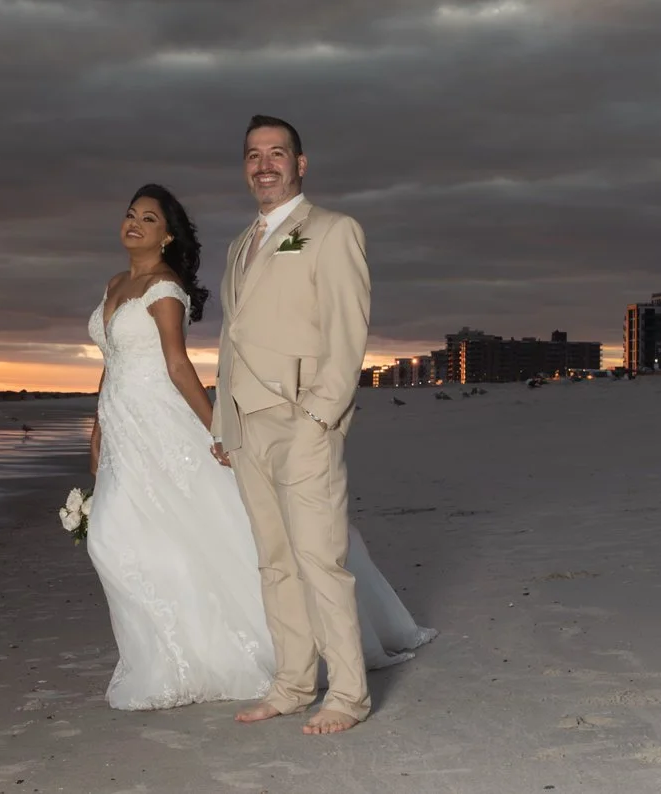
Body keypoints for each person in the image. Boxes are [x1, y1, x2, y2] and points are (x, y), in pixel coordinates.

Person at [84, 181, 432, 714]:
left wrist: (216, 429)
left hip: (164, 422)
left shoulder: (164, 288)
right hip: (122, 426)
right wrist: (98, 432)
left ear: (168, 234)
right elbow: (111, 366)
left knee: (206, 533)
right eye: (130, 214)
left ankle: (260, 656)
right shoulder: (113, 283)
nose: (134, 223)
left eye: (149, 218)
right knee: (116, 538)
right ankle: (164, 653)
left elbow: (179, 368)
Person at [210, 114, 409, 734]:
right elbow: (230, 338)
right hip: (246, 426)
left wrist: (319, 418)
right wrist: (223, 422)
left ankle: (347, 695)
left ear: (300, 164)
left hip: (302, 421)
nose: (263, 164)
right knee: (275, 562)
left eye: (277, 153)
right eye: (252, 154)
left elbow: (348, 332)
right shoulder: (241, 245)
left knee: (320, 560)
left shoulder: (331, 231)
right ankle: (294, 684)